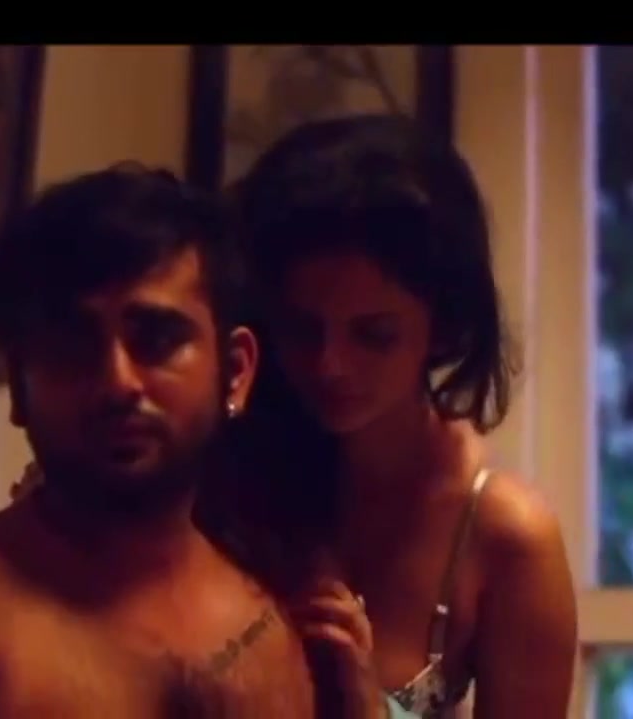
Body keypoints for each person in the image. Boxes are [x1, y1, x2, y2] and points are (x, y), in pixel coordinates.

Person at [0, 164, 323, 717]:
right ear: (19, 386)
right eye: (71, 345)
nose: (118, 380)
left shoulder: (277, 627)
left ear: (235, 373)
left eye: (157, 339)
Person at [227, 114, 579, 718]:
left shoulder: (506, 538)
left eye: (374, 335)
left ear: (442, 327)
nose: (330, 365)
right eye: (303, 329)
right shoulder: (232, 474)